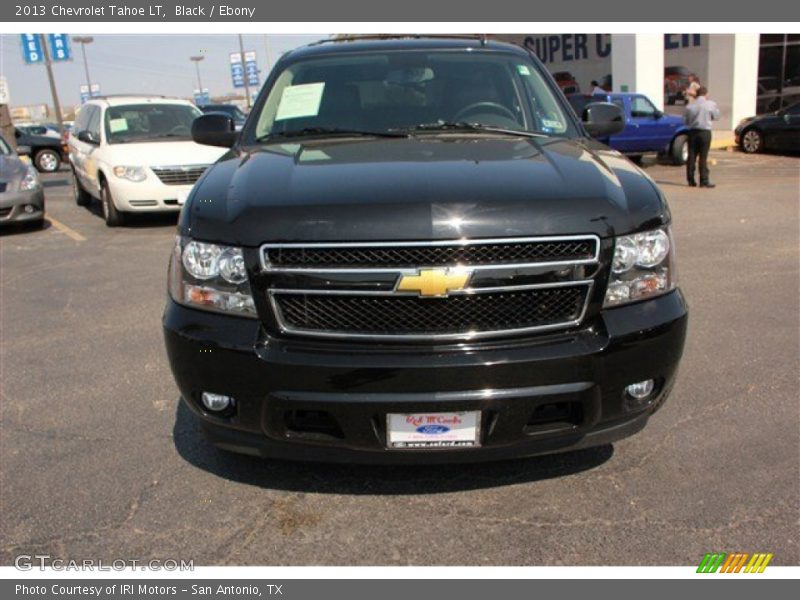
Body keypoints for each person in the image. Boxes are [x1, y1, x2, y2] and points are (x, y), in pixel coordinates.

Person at [683, 86, 720, 188]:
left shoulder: (690, 106)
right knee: (703, 157)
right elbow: (716, 116)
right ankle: (704, 180)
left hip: (692, 132)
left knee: (691, 156)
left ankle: (690, 180)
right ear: (706, 94)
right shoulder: (711, 104)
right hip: (705, 132)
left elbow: (685, 121)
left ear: (697, 94)